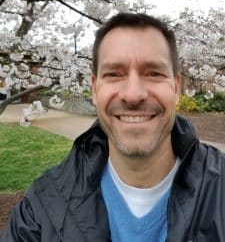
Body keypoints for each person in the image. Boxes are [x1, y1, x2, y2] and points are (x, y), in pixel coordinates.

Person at [1, 13, 225, 242]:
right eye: (114, 74)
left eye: (154, 73)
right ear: (95, 89)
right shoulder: (41, 208)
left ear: (176, 88)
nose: (133, 94)